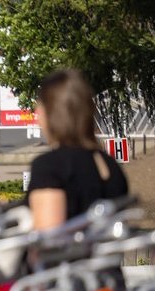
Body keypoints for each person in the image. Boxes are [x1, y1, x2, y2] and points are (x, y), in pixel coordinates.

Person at [28, 69, 130, 230]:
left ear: (51, 114)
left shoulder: (49, 167)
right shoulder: (110, 165)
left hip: (71, 255)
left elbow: (48, 241)